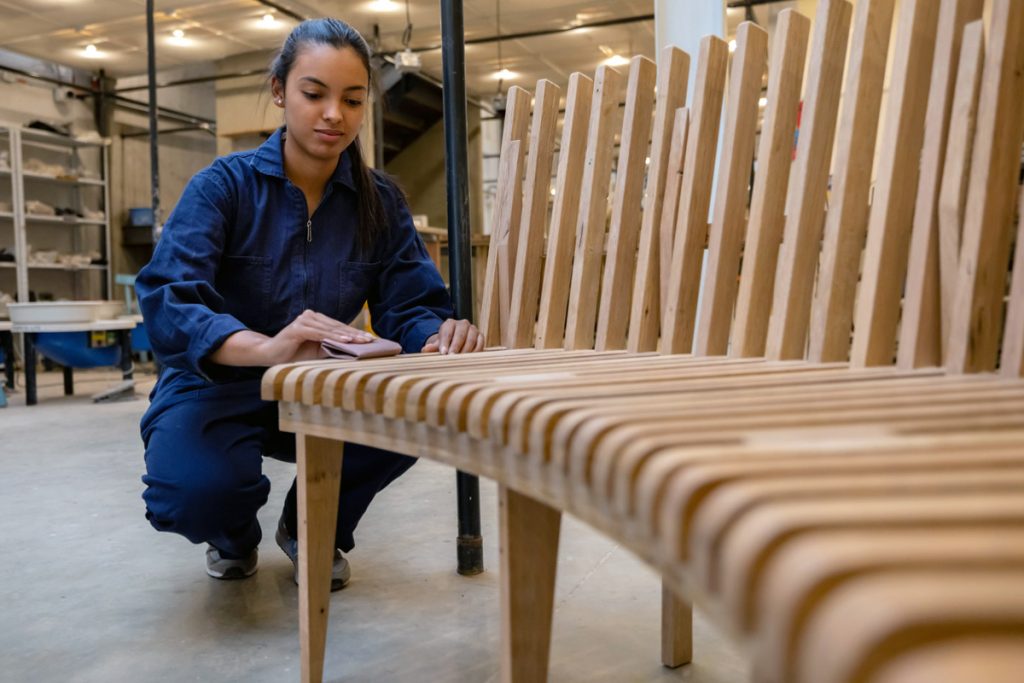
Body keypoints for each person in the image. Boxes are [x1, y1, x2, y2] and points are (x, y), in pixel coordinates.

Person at [136, 17, 483, 590]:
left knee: (421, 409)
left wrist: (436, 336)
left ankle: (312, 526)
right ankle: (232, 534)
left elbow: (410, 301)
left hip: (321, 382)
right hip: (217, 382)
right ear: (279, 91)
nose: (333, 115)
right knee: (195, 494)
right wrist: (264, 349)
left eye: (352, 99)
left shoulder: (381, 201)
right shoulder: (223, 187)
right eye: (314, 93)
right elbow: (171, 298)